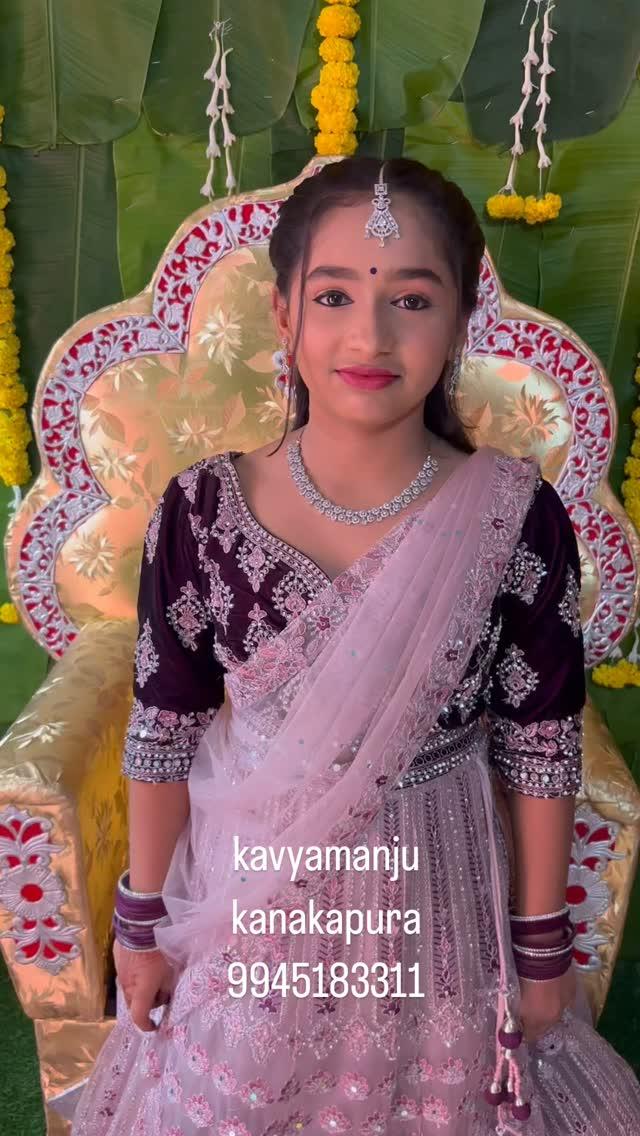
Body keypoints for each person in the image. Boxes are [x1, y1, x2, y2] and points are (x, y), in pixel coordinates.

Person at [71, 157, 640, 1136]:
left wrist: (540, 947)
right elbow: (165, 726)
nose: (369, 336)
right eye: (333, 295)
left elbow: (539, 741)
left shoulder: (512, 514)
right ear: (283, 315)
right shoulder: (202, 509)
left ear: (460, 320)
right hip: (251, 896)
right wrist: (144, 920)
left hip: (434, 884)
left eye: (411, 299)